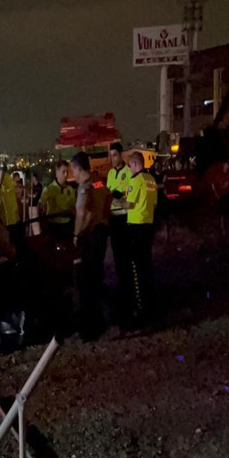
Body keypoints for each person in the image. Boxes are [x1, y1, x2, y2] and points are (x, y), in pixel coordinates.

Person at [114, 151, 158, 327]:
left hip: (136, 228)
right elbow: (154, 204)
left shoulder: (136, 180)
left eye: (130, 166)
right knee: (147, 266)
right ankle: (151, 303)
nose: (129, 169)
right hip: (149, 225)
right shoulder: (151, 180)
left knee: (136, 269)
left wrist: (116, 201)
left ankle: (140, 309)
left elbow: (129, 204)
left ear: (134, 164)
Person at [71, 152, 111, 341]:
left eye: (73, 170)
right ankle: (102, 320)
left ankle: (89, 327)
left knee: (84, 282)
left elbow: (81, 213)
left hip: (89, 236)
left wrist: (76, 235)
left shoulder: (84, 188)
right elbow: (108, 199)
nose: (73, 174)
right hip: (102, 232)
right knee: (97, 278)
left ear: (78, 168)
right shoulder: (98, 182)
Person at [106, 142, 132, 315]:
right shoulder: (110, 173)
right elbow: (109, 193)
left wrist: (116, 198)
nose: (112, 158)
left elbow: (126, 197)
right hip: (113, 218)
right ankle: (122, 284)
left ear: (121, 154)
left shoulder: (128, 172)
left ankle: (129, 287)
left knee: (126, 255)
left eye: (115, 155)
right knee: (116, 254)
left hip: (124, 217)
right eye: (111, 155)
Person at [39, 160, 76, 240]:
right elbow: (41, 205)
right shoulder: (49, 189)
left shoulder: (70, 189)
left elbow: (73, 205)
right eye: (63, 172)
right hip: (54, 226)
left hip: (68, 225)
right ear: (57, 172)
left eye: (67, 172)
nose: (66, 175)